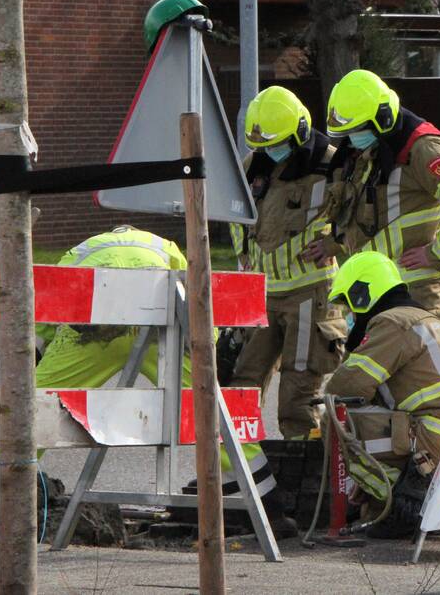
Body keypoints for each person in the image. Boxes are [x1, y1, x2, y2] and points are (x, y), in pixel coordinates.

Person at [35, 226, 296, 536]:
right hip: (161, 331)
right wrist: (207, 355)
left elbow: (50, 311)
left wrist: (43, 357)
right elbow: (195, 300)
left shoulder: (77, 254)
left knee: (36, 404)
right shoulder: (164, 246)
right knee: (213, 409)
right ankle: (269, 509)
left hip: (96, 333)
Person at [303, 70, 440, 316]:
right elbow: (361, 212)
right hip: (371, 286)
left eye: (359, 129)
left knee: (413, 353)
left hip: (412, 286)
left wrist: (438, 252)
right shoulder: (367, 150)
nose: (354, 136)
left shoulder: (421, 147)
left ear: (383, 118)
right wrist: (332, 243)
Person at [324, 251, 440, 538]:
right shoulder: (421, 318)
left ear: (363, 294)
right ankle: (407, 499)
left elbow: (344, 388)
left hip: (434, 439)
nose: (348, 316)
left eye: (349, 304)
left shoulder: (392, 322)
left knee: (337, 417)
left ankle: (406, 504)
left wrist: (366, 474)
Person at [228, 86, 348, 439]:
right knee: (242, 382)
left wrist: (335, 243)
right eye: (263, 145)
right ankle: (240, 467)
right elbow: (237, 215)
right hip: (262, 295)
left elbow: (358, 211)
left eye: (276, 143)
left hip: (310, 295)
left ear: (299, 131)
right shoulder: (255, 164)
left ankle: (303, 478)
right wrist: (244, 258)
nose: (270, 151)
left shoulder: (331, 164)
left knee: (298, 393)